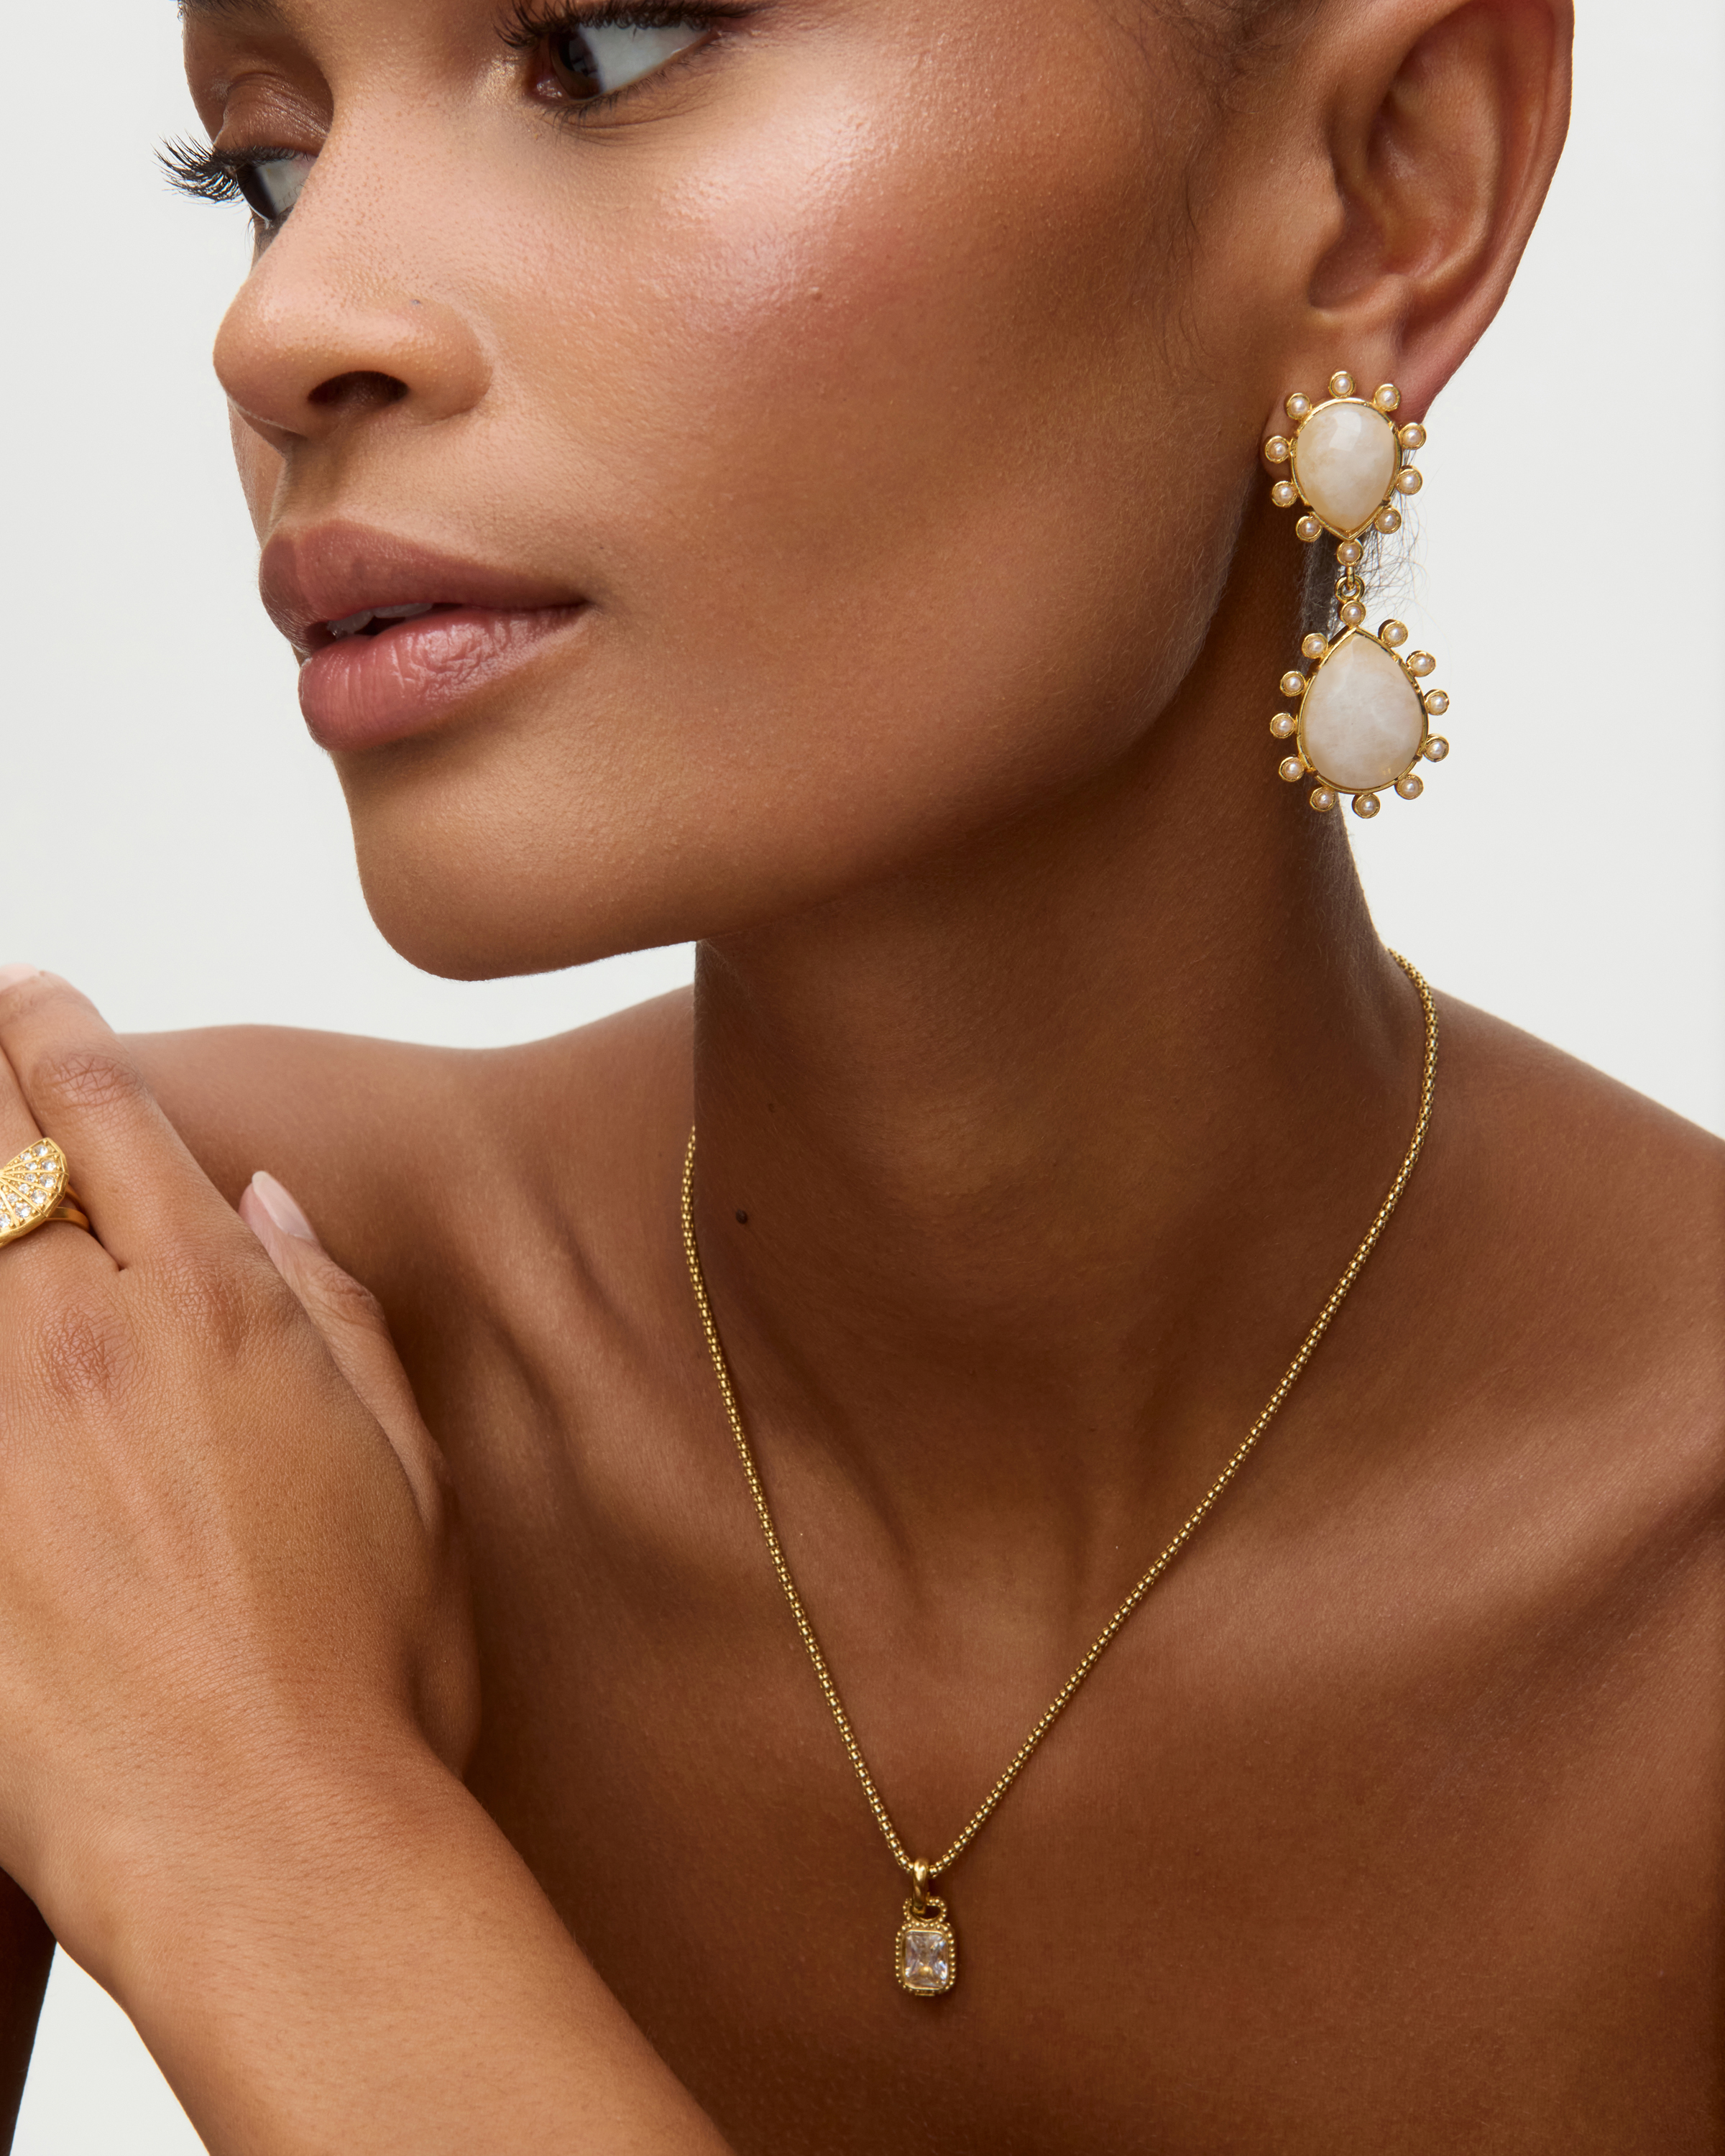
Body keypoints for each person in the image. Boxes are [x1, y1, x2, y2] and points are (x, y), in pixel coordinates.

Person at [0, 0, 1716, 2147]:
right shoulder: (107, 1351)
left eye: (601, 53)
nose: (285, 321)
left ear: (1388, 189)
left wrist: (265, 1820)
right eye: (265, 159)